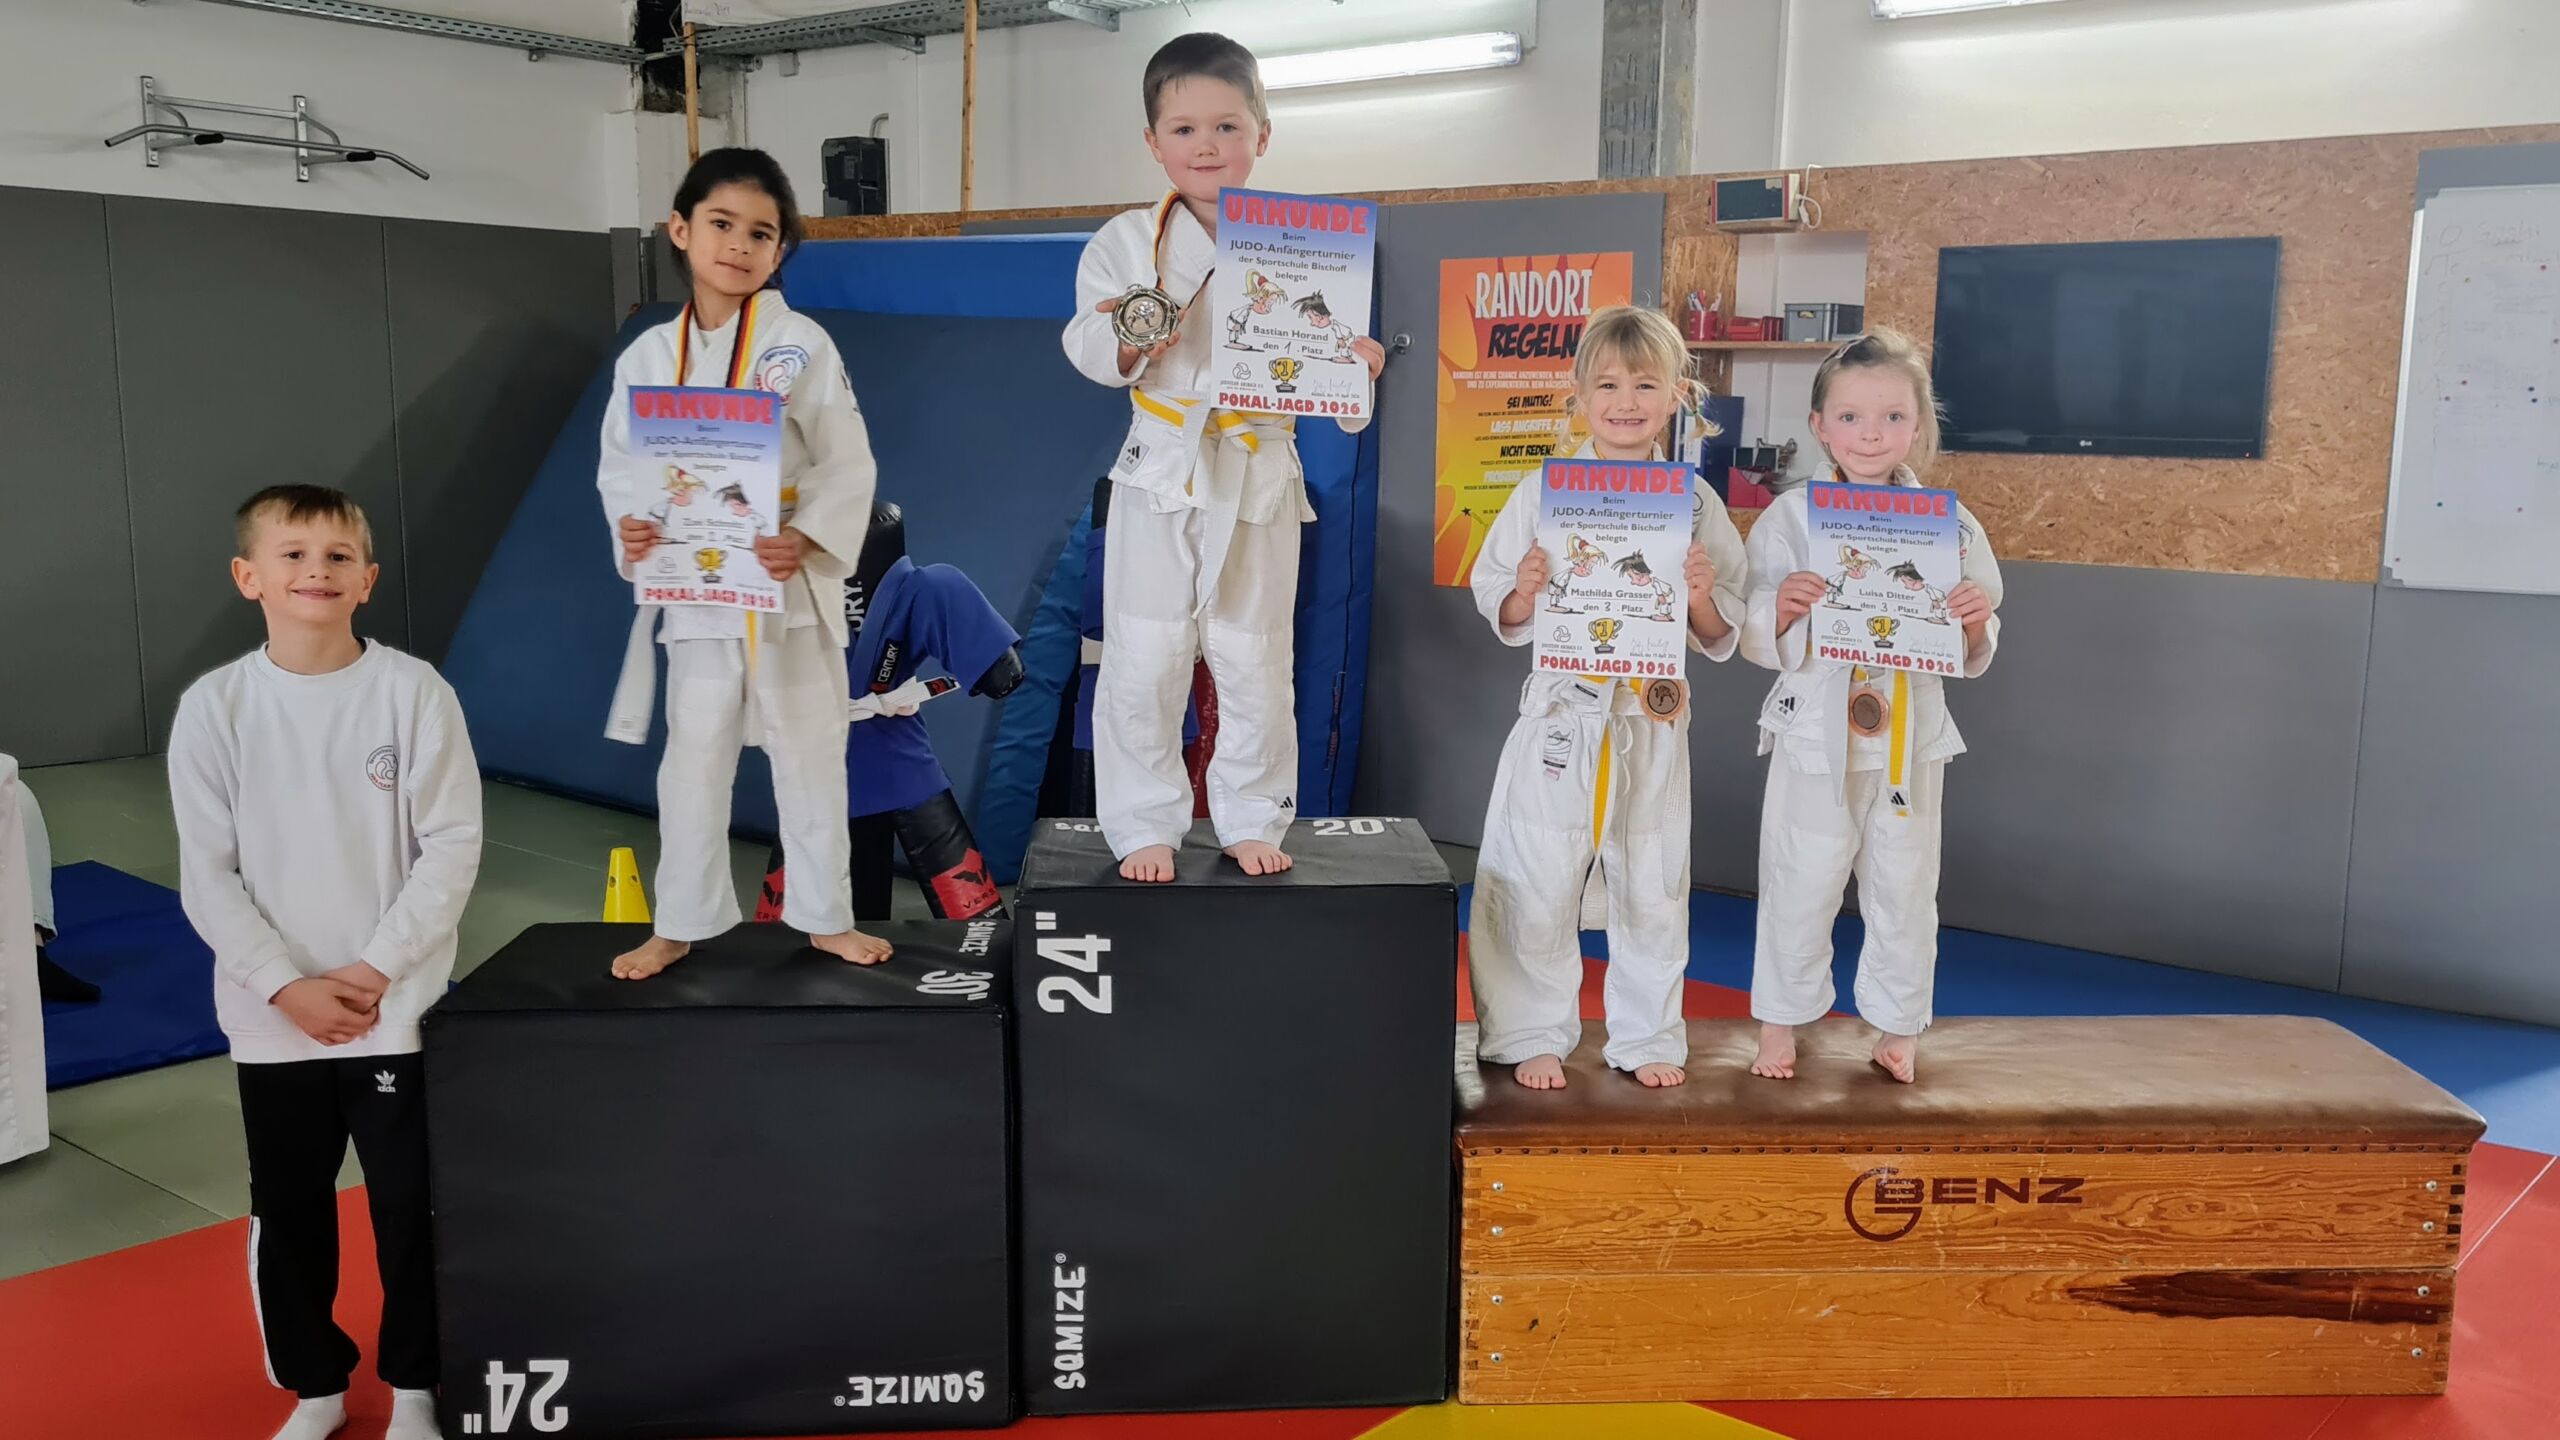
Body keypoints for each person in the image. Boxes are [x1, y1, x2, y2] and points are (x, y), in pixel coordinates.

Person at [168, 485, 482, 1440]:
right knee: (290, 1206)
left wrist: (378, 969)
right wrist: (284, 985)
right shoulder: (216, 708)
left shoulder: (413, 693)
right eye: (294, 554)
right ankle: (317, 1389)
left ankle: (418, 1387)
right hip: (274, 1020)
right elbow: (207, 874)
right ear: (249, 576)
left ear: (368, 579)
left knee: (411, 1207)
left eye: (339, 556)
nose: (318, 571)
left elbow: (452, 845)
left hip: (395, 1009)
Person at [1062, 32, 1386, 883]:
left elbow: (1331, 382)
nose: (1206, 146)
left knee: (1254, 654)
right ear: (1153, 142)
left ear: (1262, 135)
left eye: (1227, 127)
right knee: (1146, 652)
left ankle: (1250, 814)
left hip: (1259, 470)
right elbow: (1088, 344)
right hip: (1162, 468)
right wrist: (1132, 338)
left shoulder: (1301, 243)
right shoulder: (1128, 239)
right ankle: (1143, 822)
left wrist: (1353, 370)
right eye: (1184, 129)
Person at [599, 147, 889, 979]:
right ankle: (678, 922)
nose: (739, 244)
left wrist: (810, 537)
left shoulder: (801, 344)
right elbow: (621, 469)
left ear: (780, 250)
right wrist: (634, 530)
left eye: (761, 233)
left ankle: (826, 918)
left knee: (810, 756)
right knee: (692, 761)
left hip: (782, 579)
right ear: (680, 229)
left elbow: (848, 461)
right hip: (697, 585)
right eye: (721, 224)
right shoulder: (647, 357)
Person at [1467, 307, 1749, 1090]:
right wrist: (1523, 591)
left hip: (1649, 716)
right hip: (1562, 712)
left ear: (1678, 396)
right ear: (1580, 396)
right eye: (1609, 385)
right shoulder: (1542, 493)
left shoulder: (1696, 502)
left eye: (1646, 386)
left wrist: (1701, 596)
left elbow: (1723, 629)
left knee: (1653, 881)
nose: (1626, 402)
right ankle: (1528, 1032)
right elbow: (1499, 604)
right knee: (1536, 870)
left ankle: (1648, 1035)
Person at [1740, 330, 2004, 1085]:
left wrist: (1974, 618)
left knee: (1905, 883)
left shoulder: (1950, 524)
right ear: (1820, 426)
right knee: (1799, 875)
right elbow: (1753, 620)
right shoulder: (1791, 517)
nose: (1871, 434)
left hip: (1910, 733)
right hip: (1813, 728)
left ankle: (1897, 1027)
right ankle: (1780, 1022)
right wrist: (1781, 609)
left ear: (1918, 427)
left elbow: (1979, 630)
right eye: (1850, 417)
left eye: (1892, 417)